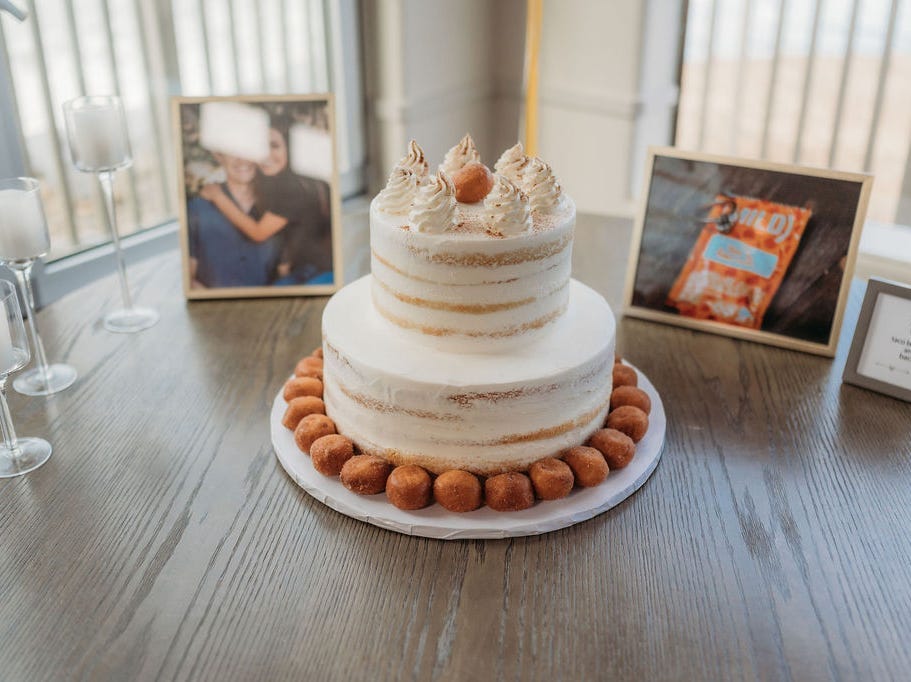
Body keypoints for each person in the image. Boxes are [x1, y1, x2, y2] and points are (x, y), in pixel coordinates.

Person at [199, 120, 333, 285]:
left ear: (289, 149)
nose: (266, 154)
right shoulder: (274, 181)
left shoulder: (295, 187)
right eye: (260, 147)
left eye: (274, 145)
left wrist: (217, 196)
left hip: (319, 273)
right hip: (299, 270)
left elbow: (258, 233)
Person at [187, 153, 281, 288]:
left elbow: (285, 275)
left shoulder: (278, 208)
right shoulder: (197, 208)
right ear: (219, 156)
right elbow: (189, 281)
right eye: (232, 151)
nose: (242, 159)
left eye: (247, 150)